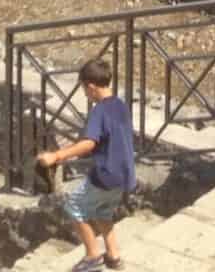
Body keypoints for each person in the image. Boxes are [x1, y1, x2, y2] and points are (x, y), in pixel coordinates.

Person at [34, 55, 135, 271]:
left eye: (83, 89)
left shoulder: (99, 110)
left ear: (91, 87)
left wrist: (57, 156)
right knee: (102, 211)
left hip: (105, 175)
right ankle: (113, 255)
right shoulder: (121, 105)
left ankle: (92, 256)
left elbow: (89, 143)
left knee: (74, 206)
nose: (84, 94)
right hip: (125, 175)